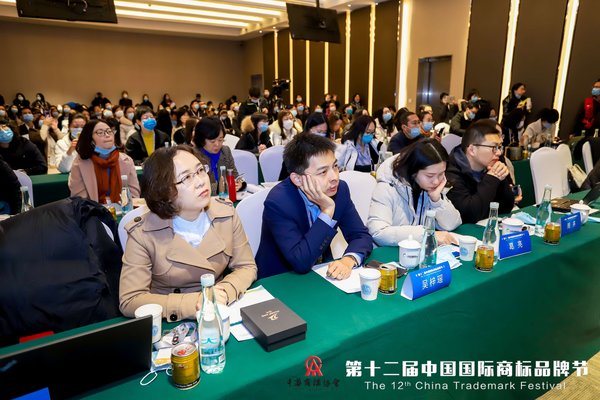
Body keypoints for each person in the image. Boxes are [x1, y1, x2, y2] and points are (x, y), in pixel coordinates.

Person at [119, 145, 257, 320]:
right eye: (186, 178)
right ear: (164, 191)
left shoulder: (226, 214)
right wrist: (196, 303)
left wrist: (224, 292)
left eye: (200, 170)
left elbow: (246, 266)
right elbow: (130, 300)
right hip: (171, 318)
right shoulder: (143, 233)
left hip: (220, 308)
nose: (201, 181)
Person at [256, 133, 373, 279]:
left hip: (322, 272)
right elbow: (301, 261)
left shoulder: (340, 190)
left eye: (335, 166)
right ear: (298, 179)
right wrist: (327, 210)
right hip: (280, 279)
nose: (334, 177)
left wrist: (349, 259)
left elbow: (361, 236)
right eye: (323, 172)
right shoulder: (278, 202)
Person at [368, 139, 461, 246]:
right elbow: (378, 232)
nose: (436, 181)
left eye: (441, 174)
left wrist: (437, 201)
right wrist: (427, 234)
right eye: (430, 175)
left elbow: (452, 224)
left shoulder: (430, 188)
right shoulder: (387, 187)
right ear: (413, 171)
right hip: (391, 252)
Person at [445, 120, 515, 223]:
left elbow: (506, 206)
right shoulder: (451, 173)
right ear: (472, 150)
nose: (499, 153)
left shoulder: (489, 165)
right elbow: (468, 215)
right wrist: (492, 178)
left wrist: (500, 177)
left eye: (500, 147)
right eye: (494, 147)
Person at [69, 119, 140, 203]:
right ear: (90, 138)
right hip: (92, 209)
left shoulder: (126, 160)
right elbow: (79, 199)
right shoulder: (80, 163)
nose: (107, 135)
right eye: (100, 132)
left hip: (123, 208)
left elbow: (134, 194)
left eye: (109, 131)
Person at [193, 116, 245, 195]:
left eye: (220, 140)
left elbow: (234, 175)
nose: (217, 144)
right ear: (201, 140)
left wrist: (240, 184)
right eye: (212, 141)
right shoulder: (194, 156)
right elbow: (200, 187)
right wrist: (225, 187)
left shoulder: (225, 151)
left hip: (226, 198)